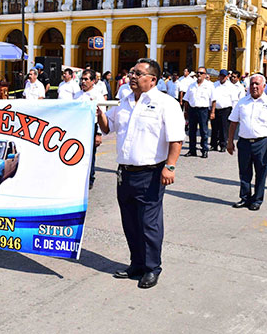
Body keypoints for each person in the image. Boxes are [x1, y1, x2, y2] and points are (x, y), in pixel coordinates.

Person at [97, 58, 185, 289]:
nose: (132, 76)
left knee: (149, 223)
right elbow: (109, 128)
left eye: (138, 73)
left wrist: (170, 166)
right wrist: (99, 114)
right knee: (130, 221)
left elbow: (176, 138)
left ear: (152, 79)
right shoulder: (125, 101)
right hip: (125, 172)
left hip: (151, 173)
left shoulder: (166, 103)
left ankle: (152, 267)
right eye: (132, 73)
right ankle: (136, 263)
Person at [226, 74, 267, 211]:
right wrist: (229, 142)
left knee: (261, 172)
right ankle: (245, 198)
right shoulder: (242, 102)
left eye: (257, 84)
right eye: (252, 84)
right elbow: (233, 123)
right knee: (244, 172)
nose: (254, 87)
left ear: (264, 86)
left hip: (262, 143)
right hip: (244, 143)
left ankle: (257, 200)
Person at [74, 69, 105, 190]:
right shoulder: (77, 95)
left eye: (86, 79)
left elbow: (103, 115)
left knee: (90, 155)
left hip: (92, 127)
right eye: (82, 79)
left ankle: (90, 179)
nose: (83, 81)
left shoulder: (97, 95)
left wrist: (99, 134)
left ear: (93, 81)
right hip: (77, 127)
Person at [183, 67, 216, 158]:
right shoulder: (192, 85)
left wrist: (212, 112)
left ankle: (204, 150)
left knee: (204, 131)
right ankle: (192, 150)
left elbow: (213, 100)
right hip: (192, 110)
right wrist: (186, 111)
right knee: (192, 131)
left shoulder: (209, 85)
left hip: (203, 110)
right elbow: (186, 99)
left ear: (205, 75)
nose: (199, 75)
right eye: (198, 73)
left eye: (201, 73)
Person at [211, 69, 241, 152]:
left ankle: (223, 144)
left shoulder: (231, 87)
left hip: (226, 109)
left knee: (224, 128)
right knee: (214, 127)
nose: (222, 78)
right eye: (221, 76)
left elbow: (234, 100)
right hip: (215, 108)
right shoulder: (214, 85)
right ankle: (213, 144)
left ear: (227, 76)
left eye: (224, 76)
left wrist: (234, 112)